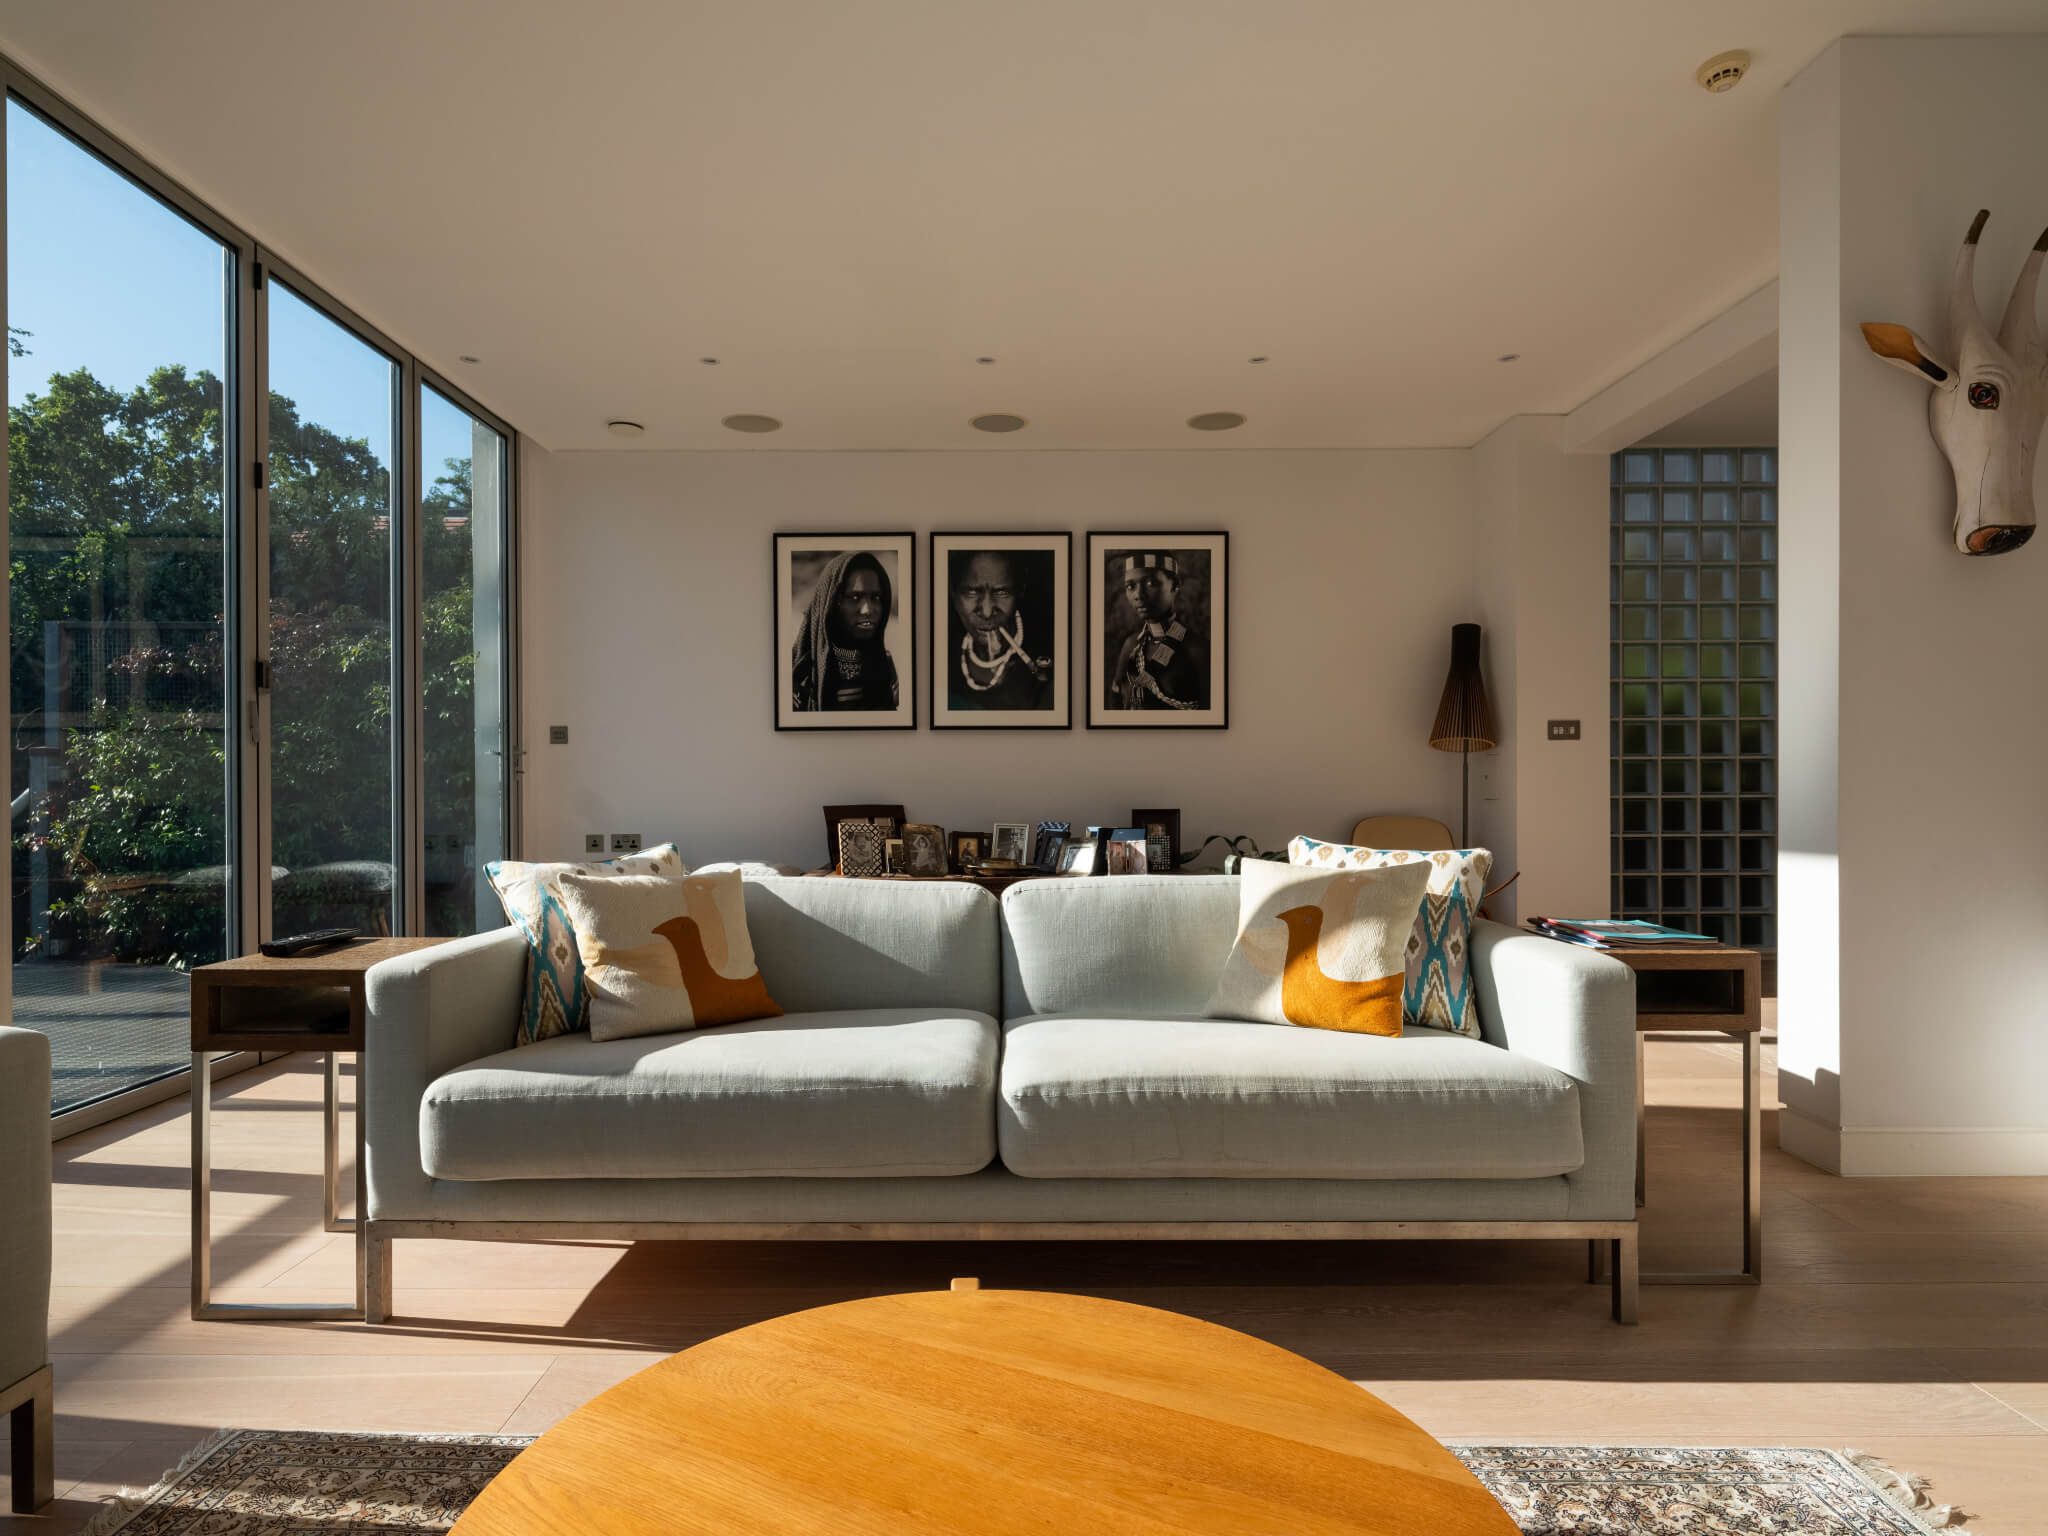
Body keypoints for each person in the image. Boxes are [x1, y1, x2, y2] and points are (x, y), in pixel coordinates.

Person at [791, 551, 899, 712]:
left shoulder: (884, 664)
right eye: (855, 597)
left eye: (876, 597)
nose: (868, 609)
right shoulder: (802, 671)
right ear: (831, 603)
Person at [949, 550, 1051, 711]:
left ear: (1020, 591)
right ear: (953, 593)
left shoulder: (1048, 666)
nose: (987, 612)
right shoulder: (938, 656)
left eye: (1002, 592)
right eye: (972, 592)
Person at [1108, 551, 1209, 711]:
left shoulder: (1197, 651)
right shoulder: (1131, 645)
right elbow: (1115, 702)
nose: (1138, 595)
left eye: (1150, 583)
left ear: (1175, 585)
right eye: (1130, 586)